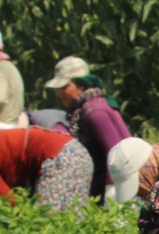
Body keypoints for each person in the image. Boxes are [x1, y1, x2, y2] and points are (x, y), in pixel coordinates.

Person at [44, 56, 130, 202]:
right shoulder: (84, 109)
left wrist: (112, 191)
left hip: (114, 187)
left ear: (81, 86)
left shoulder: (95, 112)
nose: (59, 93)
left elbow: (115, 153)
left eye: (64, 87)